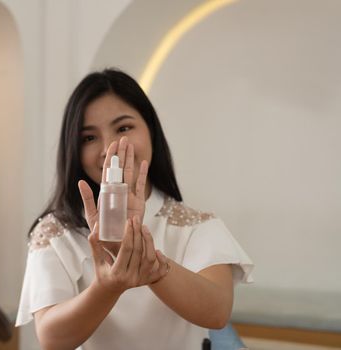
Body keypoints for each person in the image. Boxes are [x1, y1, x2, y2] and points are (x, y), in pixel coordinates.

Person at [16, 68, 253, 350]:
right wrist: (107, 287)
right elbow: (52, 338)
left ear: (151, 130)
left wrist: (148, 261)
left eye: (123, 128)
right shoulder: (55, 232)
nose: (109, 148)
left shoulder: (196, 226)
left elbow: (216, 312)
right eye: (89, 138)